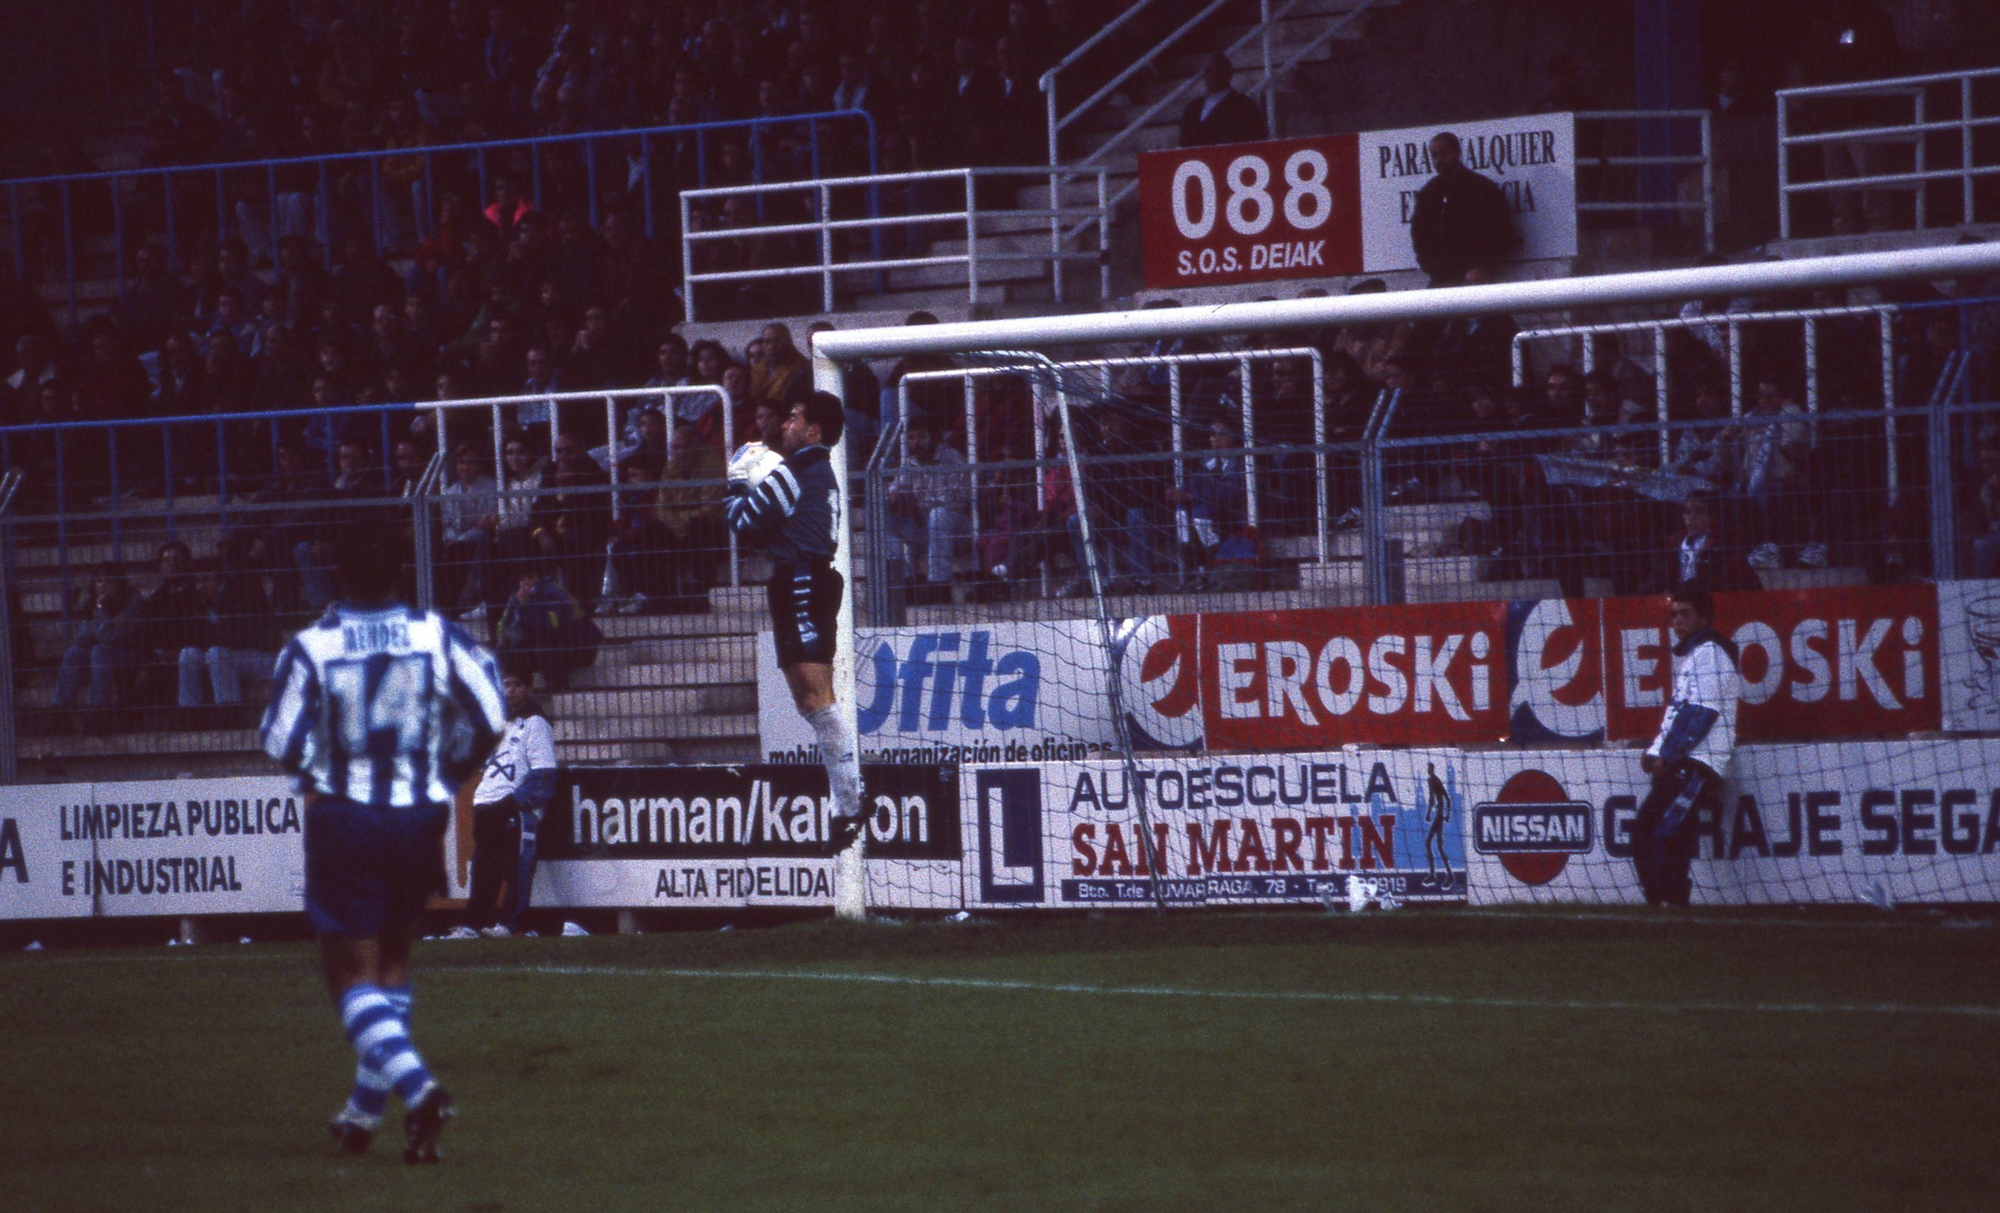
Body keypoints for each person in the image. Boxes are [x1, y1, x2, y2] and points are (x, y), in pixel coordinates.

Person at [260, 524, 506, 1163]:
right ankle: (364, 1113)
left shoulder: (312, 647)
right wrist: (448, 770)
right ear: (401, 570)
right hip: (418, 815)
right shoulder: (436, 634)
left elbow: (280, 737)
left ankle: (420, 1091)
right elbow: (491, 711)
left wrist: (325, 770)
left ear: (335, 573)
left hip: (346, 817)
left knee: (347, 969)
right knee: (393, 959)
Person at [724, 391, 867, 854]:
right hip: (796, 580)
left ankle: (851, 802)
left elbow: (743, 522)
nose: (784, 424)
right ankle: (848, 802)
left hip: (803, 581)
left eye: (793, 417)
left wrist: (736, 484)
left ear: (813, 430)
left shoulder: (795, 471)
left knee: (817, 698)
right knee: (809, 701)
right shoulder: (809, 471)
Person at [1635, 588, 1739, 907]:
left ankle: (1664, 901)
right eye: (1674, 614)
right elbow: (1677, 714)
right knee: (1667, 830)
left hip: (1697, 763)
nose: (1677, 620)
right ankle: (1670, 901)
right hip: (1685, 761)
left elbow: (1701, 714)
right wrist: (1655, 752)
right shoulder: (1695, 656)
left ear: (1704, 619)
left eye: (1686, 613)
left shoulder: (1711, 654)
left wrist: (1667, 756)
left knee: (1656, 828)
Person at [447, 672, 556, 940]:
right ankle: (473, 924)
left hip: (515, 810)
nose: (511, 691)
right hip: (486, 806)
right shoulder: (498, 724)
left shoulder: (536, 723)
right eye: (506, 685)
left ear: (529, 688)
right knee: (484, 870)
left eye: (517, 684)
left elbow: (545, 776)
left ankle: (511, 924)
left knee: (517, 868)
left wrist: (511, 804)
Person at [1409, 131, 1517, 287]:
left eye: (1445, 154)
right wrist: (1430, 266)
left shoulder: (1482, 189)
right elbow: (1419, 235)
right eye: (1434, 155)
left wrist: (1483, 266)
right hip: (1441, 278)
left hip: (1475, 278)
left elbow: (1501, 232)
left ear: (1458, 153)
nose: (1439, 160)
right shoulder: (1428, 193)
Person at [1177, 53, 1265, 148]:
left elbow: (1255, 139)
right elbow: (1185, 141)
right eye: (1208, 70)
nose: (1211, 74)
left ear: (1228, 74)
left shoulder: (1245, 106)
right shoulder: (1192, 108)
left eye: (1217, 69)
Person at [1423, 762, 1453, 885]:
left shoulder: (1433, 781)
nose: (1428, 770)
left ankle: (1435, 875)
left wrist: (1429, 814)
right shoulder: (1435, 780)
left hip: (1438, 816)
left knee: (1430, 843)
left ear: (1432, 769)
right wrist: (1446, 815)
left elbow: (1433, 799)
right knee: (1437, 846)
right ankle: (1444, 875)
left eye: (1429, 768)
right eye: (1428, 768)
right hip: (1439, 815)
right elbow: (1446, 799)